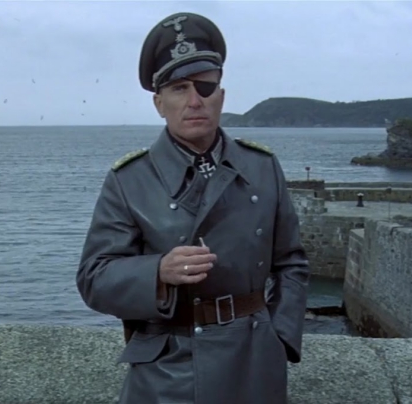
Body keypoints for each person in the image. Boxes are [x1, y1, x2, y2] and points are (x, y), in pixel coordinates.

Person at [76, 11, 310, 404]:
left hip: (254, 365)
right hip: (168, 373)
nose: (194, 101)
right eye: (179, 88)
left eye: (205, 86)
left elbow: (292, 263)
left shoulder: (262, 166)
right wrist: (158, 272)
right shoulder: (130, 179)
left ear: (222, 96)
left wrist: (280, 337)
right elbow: (93, 279)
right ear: (159, 103)